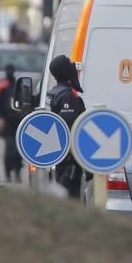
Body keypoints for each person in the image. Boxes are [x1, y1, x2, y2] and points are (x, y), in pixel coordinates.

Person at [46, 55, 86, 198]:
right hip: (68, 160)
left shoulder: (52, 93)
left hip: (55, 156)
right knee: (69, 198)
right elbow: (70, 130)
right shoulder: (66, 97)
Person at [0, 64, 24, 183]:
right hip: (7, 122)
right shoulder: (2, 87)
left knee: (18, 150)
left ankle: (17, 172)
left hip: (18, 121)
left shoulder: (18, 86)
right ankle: (8, 173)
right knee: (9, 148)